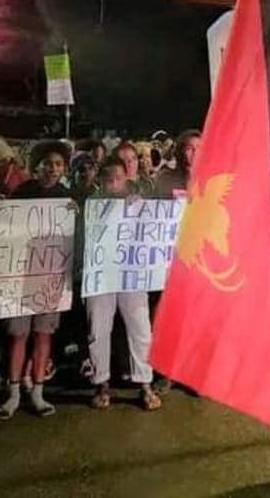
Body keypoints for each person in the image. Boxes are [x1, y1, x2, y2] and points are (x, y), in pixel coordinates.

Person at [0, 140, 72, 420]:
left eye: (58, 164)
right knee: (18, 335)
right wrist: (1, 206)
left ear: (64, 168)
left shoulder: (68, 197)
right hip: (21, 276)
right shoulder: (22, 193)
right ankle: (13, 394)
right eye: (48, 164)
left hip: (51, 278)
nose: (53, 169)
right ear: (36, 166)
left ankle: (38, 392)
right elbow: (3, 228)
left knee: (43, 335)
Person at [85, 158, 162, 410]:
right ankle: (101, 382)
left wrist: (139, 208)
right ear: (102, 181)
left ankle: (145, 383)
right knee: (98, 330)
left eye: (118, 178)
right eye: (109, 179)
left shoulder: (139, 202)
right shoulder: (91, 203)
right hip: (101, 277)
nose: (114, 183)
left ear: (126, 178)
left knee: (141, 329)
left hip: (132, 275)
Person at [155, 129, 200, 197]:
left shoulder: (213, 180)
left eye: (199, 147)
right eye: (189, 148)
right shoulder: (166, 179)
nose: (195, 152)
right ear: (180, 151)